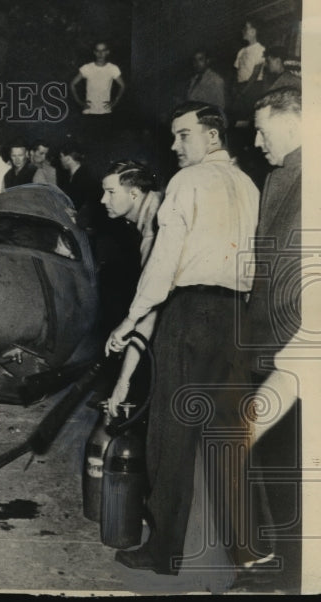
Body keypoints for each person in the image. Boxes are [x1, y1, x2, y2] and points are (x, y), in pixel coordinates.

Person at [106, 102, 267, 576]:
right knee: (229, 436)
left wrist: (130, 319)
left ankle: (165, 551)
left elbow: (163, 264)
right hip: (237, 315)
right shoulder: (248, 184)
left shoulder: (187, 182)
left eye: (183, 136)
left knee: (171, 435)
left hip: (190, 311)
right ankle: (249, 554)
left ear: (212, 138)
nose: (175, 146)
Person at [238, 88, 303, 584]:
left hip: (295, 347)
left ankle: (290, 568)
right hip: (269, 339)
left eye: (263, 128)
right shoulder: (282, 176)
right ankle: (277, 559)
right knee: (271, 455)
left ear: (295, 120)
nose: (256, 140)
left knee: (289, 461)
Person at [99, 161, 163, 416]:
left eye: (111, 192)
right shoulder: (155, 211)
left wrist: (122, 381)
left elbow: (150, 312)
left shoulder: (155, 228)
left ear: (134, 193)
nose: (103, 200)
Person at [71, 41, 126, 120]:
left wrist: (114, 102)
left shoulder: (113, 68)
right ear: (94, 52)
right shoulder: (87, 68)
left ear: (107, 52)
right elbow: (72, 84)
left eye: (103, 50)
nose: (100, 53)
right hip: (89, 111)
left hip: (105, 111)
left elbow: (122, 85)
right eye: (98, 51)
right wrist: (80, 102)